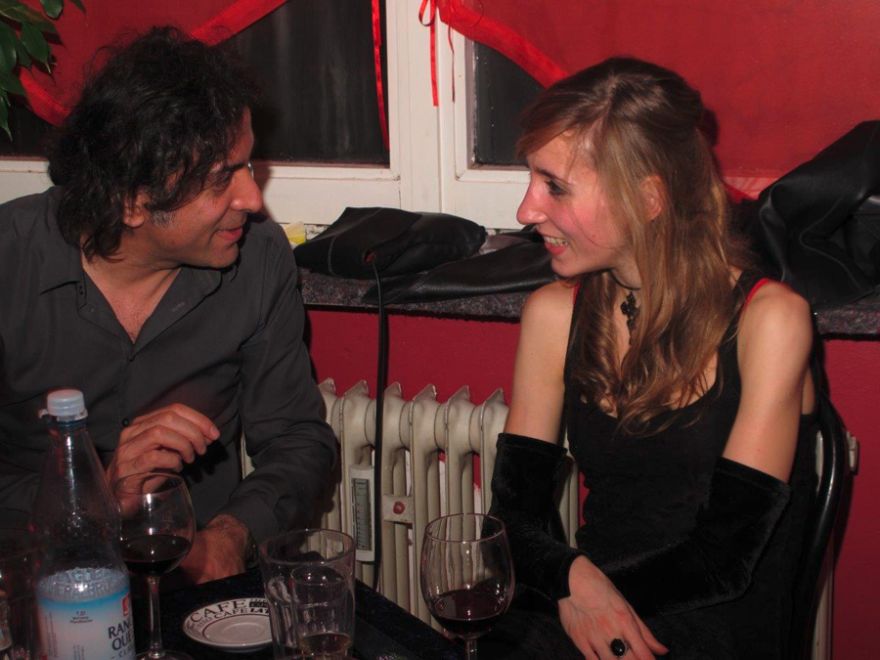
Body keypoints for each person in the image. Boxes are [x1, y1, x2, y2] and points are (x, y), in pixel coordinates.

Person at [487, 58, 817, 659]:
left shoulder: (770, 320)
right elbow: (513, 518)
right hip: (590, 603)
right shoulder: (554, 314)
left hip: (714, 619)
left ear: (648, 198)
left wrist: (585, 597)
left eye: (555, 185)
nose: (526, 211)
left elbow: (724, 559)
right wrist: (572, 582)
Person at [0, 27, 336, 584]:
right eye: (221, 179)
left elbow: (298, 439)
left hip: (192, 576)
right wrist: (91, 497)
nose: (253, 200)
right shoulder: (10, 263)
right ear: (131, 201)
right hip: (39, 581)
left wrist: (232, 535)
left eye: (248, 166)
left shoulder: (258, 257)